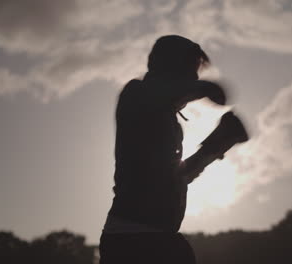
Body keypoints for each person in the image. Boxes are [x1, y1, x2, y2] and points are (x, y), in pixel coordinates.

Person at [99, 35, 248, 264]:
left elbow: (176, 178)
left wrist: (217, 144)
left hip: (153, 239)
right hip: (132, 240)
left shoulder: (164, 120)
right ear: (168, 68)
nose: (194, 77)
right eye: (190, 71)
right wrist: (204, 87)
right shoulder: (135, 95)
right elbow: (159, 92)